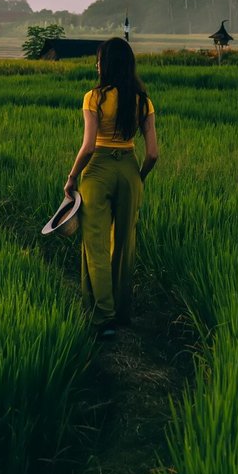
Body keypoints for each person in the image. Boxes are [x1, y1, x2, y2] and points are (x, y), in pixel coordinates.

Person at [63, 37, 158, 340]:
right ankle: (122, 313)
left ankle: (103, 318)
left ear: (107, 64)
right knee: (124, 244)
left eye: (99, 59)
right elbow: (153, 153)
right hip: (129, 169)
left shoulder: (95, 97)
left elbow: (88, 146)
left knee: (96, 244)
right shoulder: (142, 100)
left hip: (99, 171)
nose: (96, 64)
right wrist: (138, 176)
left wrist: (72, 176)